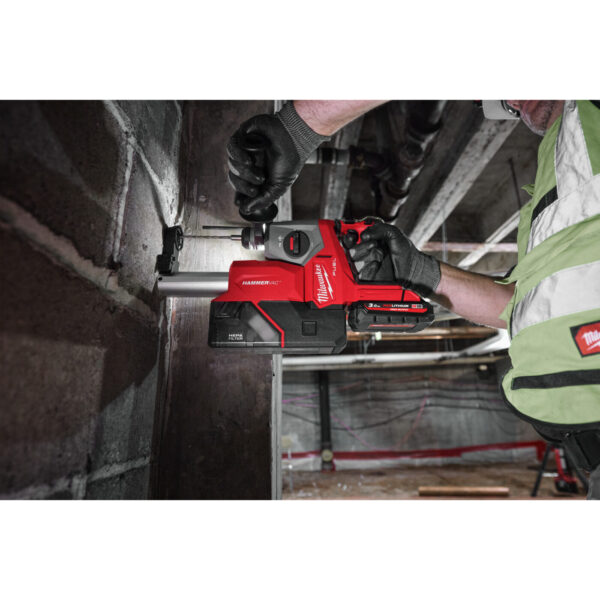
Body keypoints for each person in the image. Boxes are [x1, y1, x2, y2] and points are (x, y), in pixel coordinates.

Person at [227, 100, 600, 498]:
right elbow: (519, 307)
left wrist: (298, 127)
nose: (513, 104)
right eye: (505, 103)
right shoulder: (557, 168)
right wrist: (422, 272)